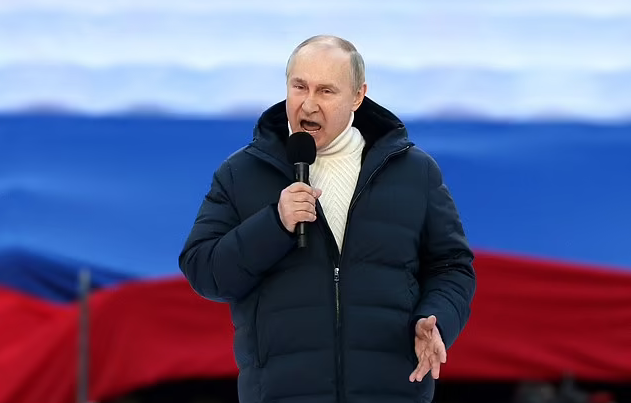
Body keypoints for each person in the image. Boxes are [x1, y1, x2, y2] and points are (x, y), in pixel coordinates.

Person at [179, 35, 476, 403]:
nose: (309, 104)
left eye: (326, 91)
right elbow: (204, 271)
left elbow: (452, 267)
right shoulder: (241, 173)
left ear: (357, 96)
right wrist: (275, 224)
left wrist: (437, 319)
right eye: (299, 87)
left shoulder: (413, 172)